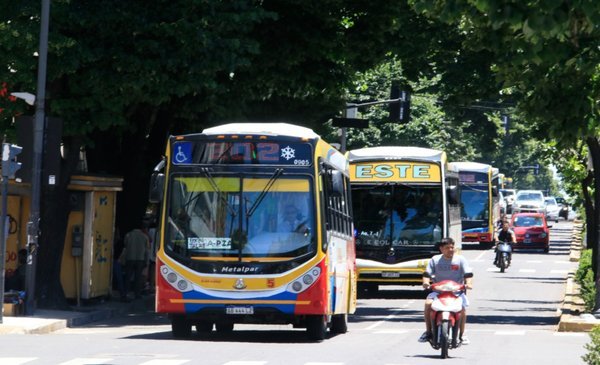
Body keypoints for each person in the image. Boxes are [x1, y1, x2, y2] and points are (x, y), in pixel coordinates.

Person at [419, 237, 474, 345]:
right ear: (441, 249)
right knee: (428, 304)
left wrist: (469, 283)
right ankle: (428, 332)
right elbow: (427, 274)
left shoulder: (460, 259)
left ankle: (462, 334)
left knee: (462, 309)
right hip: (439, 291)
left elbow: (468, 274)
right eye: (447, 248)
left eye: (452, 247)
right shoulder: (435, 259)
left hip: (456, 292)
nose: (451, 250)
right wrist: (426, 282)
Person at [121, 224, 150, 300]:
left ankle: (125, 293)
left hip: (130, 258)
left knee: (128, 277)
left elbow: (125, 246)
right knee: (138, 277)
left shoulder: (128, 235)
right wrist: (147, 261)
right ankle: (137, 294)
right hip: (140, 259)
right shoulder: (144, 236)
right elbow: (147, 251)